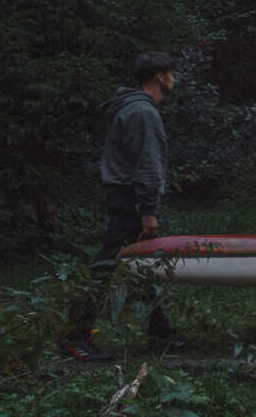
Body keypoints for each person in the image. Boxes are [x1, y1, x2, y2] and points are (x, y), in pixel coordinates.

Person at [57, 51, 193, 360]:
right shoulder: (143, 113)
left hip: (125, 194)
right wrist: (149, 210)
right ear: (159, 76)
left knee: (140, 265)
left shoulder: (132, 108)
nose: (174, 78)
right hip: (131, 198)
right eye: (171, 73)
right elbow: (147, 165)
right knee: (108, 266)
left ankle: (160, 334)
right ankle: (74, 336)